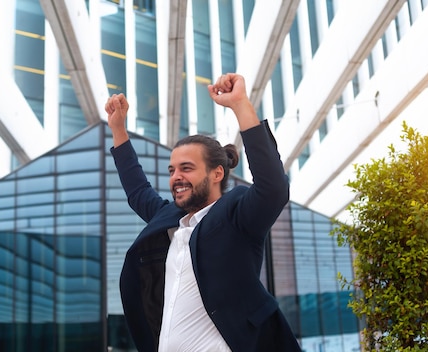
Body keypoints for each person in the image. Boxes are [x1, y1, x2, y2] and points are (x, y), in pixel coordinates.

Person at [105, 73, 301, 352]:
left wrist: (240, 105)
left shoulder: (237, 216)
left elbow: (273, 189)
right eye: (172, 170)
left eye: (186, 168)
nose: (175, 177)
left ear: (217, 173)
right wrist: (118, 130)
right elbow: (138, 192)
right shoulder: (170, 220)